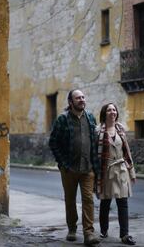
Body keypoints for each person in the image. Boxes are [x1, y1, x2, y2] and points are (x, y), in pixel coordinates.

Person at [49, 89, 100, 245]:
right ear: (70, 102)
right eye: (78, 98)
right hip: (69, 169)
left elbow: (95, 141)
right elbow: (53, 142)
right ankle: (72, 228)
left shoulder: (91, 118)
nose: (82, 100)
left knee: (88, 199)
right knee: (70, 200)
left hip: (88, 168)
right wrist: (63, 164)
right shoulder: (62, 119)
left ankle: (88, 233)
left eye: (83, 97)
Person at [95, 103, 136, 245]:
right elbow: (95, 154)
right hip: (105, 171)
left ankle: (125, 235)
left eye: (114, 110)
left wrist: (132, 171)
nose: (112, 112)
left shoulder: (120, 129)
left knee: (123, 202)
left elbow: (127, 151)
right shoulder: (98, 131)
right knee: (105, 202)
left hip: (121, 169)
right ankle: (104, 230)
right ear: (104, 113)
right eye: (109, 110)